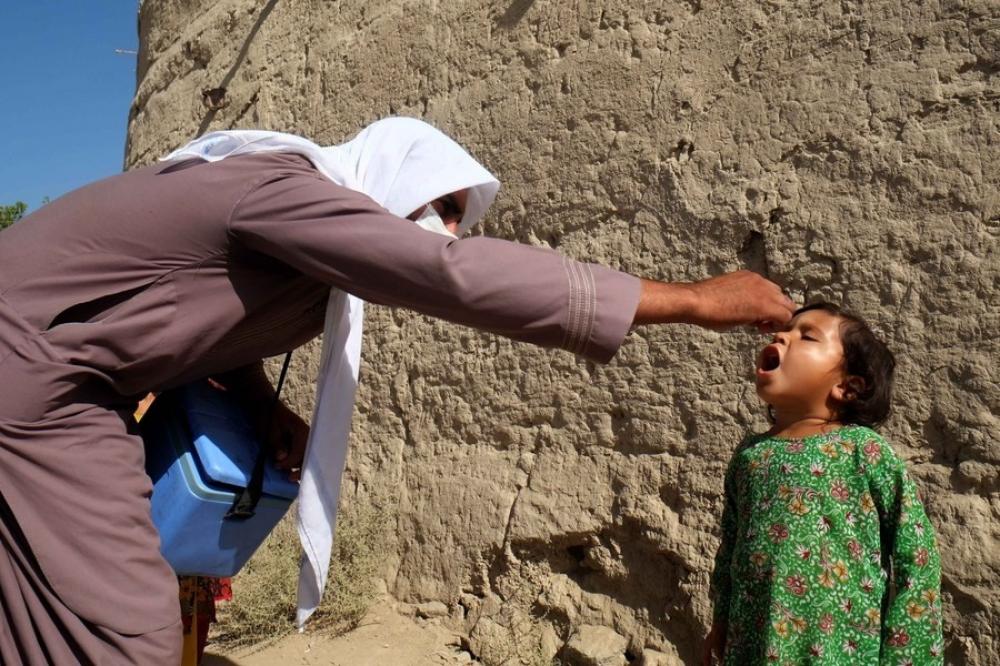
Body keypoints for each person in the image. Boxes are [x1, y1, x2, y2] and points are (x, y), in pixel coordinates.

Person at [0, 117, 794, 664]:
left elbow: (194, 318)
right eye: (443, 206)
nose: (449, 232)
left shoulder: (309, 255)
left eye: (459, 219)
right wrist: (693, 300)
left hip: (61, 379)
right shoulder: (286, 190)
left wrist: (264, 404)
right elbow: (449, 276)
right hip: (33, 374)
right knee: (127, 628)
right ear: (397, 176)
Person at [704, 302, 943, 665]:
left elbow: (917, 554)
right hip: (754, 645)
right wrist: (720, 621)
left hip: (838, 649)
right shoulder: (751, 455)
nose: (782, 336)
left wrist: (906, 654)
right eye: (783, 332)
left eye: (807, 335)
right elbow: (731, 548)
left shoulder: (864, 451)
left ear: (847, 387)